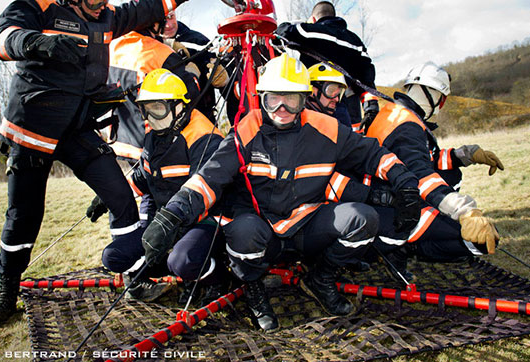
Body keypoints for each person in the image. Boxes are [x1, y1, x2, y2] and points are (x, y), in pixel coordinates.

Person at [0, 0, 216, 323]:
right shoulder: (39, 7)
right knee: (24, 216)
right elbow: (1, 37)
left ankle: (134, 276)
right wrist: (35, 43)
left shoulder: (105, 19)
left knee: (121, 197)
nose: (101, 5)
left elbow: (148, 7)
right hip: (34, 129)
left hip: (77, 127)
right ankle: (6, 289)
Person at [139, 53, 422, 331]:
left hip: (307, 224)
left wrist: (404, 182)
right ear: (262, 97)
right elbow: (209, 178)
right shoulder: (247, 128)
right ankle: (252, 285)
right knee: (242, 232)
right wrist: (171, 215)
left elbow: (373, 154)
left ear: (305, 98)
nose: (281, 107)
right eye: (273, 98)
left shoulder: (327, 127)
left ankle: (320, 279)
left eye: (292, 98)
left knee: (362, 219)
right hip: (261, 228)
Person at [361, 62, 503, 275]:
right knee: (480, 242)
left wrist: (468, 154)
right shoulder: (407, 126)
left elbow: (428, 159)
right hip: (394, 209)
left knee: (452, 173)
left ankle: (404, 244)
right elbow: (420, 174)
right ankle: (404, 248)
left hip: (382, 198)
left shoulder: (394, 114)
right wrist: (464, 211)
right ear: (436, 96)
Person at [101, 69, 228, 304]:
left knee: (182, 260)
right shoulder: (155, 136)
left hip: (205, 221)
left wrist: (168, 227)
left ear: (179, 106)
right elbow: (143, 177)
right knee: (113, 257)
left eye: (157, 108)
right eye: (144, 109)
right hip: (165, 221)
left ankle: (218, 278)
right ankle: (179, 273)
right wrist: (112, 194)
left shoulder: (204, 137)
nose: (149, 117)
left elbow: (202, 191)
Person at [107, 0, 201, 163]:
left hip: (117, 145)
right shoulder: (162, 54)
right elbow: (191, 94)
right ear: (156, 21)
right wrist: (193, 72)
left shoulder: (113, 46)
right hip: (148, 148)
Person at [275, 1, 379, 131]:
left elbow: (282, 31)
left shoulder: (308, 31)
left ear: (313, 19)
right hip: (340, 106)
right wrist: (371, 106)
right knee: (343, 144)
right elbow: (366, 76)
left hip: (312, 105)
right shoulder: (355, 42)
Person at [161, 10, 223, 123]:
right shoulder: (144, 46)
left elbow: (215, 67)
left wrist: (223, 79)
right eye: (162, 20)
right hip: (162, 119)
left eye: (171, 17)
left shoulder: (197, 40)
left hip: (201, 117)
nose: (168, 24)